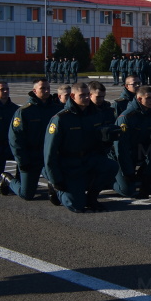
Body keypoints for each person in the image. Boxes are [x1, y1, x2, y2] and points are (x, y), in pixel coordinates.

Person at [43, 82, 120, 212]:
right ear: (72, 96)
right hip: (69, 164)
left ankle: (92, 197)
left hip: (89, 159)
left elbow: (99, 141)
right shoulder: (61, 119)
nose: (86, 98)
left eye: (88, 95)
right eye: (82, 95)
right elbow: (50, 152)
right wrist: (55, 179)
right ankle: (55, 188)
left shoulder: (95, 114)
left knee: (111, 166)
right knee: (76, 206)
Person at [3, 78, 63, 200]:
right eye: (42, 88)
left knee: (62, 181)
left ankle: (53, 186)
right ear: (34, 90)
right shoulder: (24, 112)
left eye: (48, 88)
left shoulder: (56, 109)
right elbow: (15, 139)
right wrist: (22, 160)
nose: (46, 91)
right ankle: (7, 179)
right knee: (27, 194)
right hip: (31, 157)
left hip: (49, 156)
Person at [112, 85, 151, 199]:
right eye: (148, 98)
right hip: (122, 156)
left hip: (138, 152)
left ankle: (145, 186)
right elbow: (121, 149)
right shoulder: (127, 117)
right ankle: (108, 180)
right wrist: (128, 172)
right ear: (139, 99)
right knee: (127, 190)